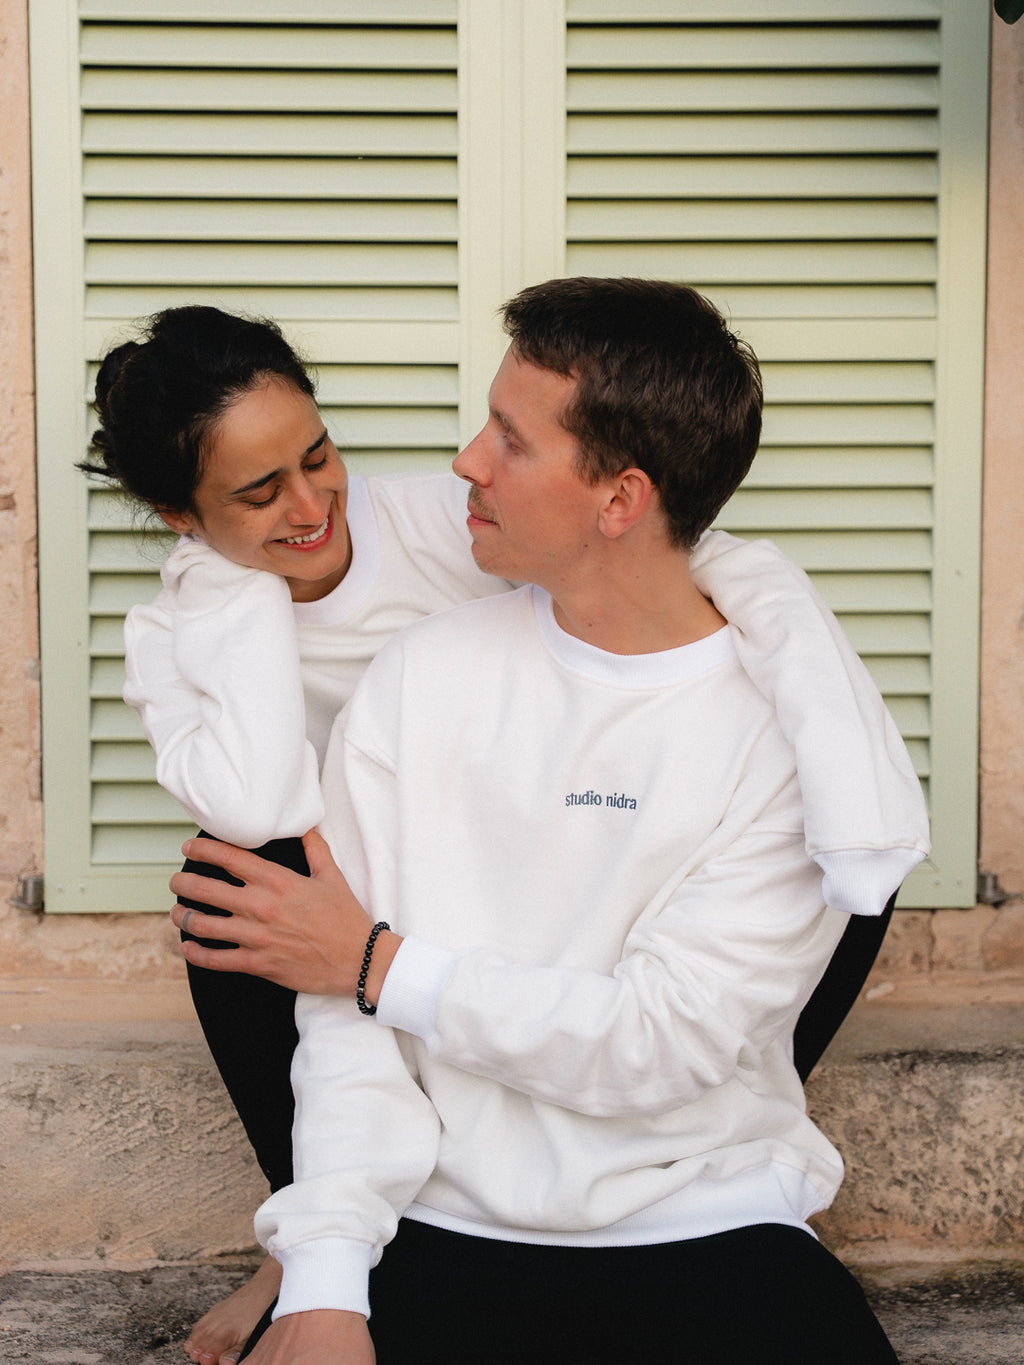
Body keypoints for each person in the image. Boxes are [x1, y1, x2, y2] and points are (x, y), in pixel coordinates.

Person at [88, 302, 914, 1364]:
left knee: (852, 856)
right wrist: (330, 1261)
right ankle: (302, 1233)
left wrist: (378, 963)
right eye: (256, 493)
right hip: (420, 1100)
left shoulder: (762, 719)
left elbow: (702, 561)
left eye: (509, 439)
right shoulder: (384, 667)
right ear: (182, 515)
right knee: (246, 883)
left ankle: (716, 1132)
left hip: (687, 1189)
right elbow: (283, 872)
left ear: (619, 497)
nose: (464, 460)